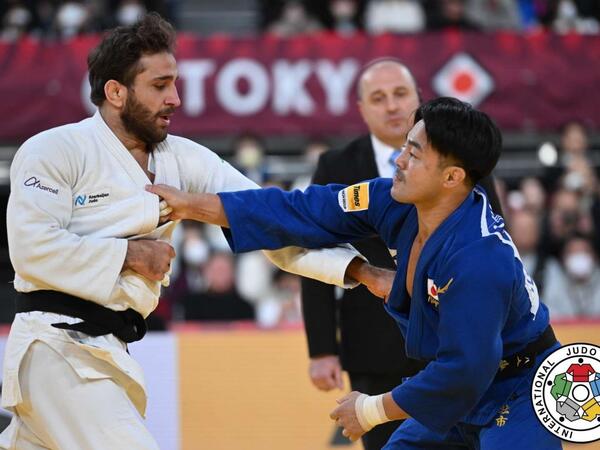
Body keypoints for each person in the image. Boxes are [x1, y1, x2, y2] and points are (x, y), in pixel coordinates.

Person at [0, 13, 363, 450]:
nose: (174, 98)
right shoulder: (55, 149)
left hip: (108, 350)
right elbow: (32, 249)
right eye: (159, 86)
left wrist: (358, 271)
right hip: (57, 345)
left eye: (174, 83)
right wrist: (130, 255)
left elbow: (264, 219)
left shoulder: (184, 160)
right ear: (115, 92)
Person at [148, 97, 562, 449]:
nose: (399, 160)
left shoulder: (479, 259)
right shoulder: (391, 199)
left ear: (453, 177)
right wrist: (193, 205)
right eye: (405, 147)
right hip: (460, 385)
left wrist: (370, 409)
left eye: (415, 154)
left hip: (521, 386)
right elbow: (302, 210)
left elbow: (464, 371)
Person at [301, 59, 503, 450]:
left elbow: (496, 242)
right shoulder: (337, 165)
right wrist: (323, 348)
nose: (392, 106)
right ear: (361, 108)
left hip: (455, 343)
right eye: (378, 98)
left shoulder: (462, 155)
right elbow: (316, 253)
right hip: (374, 350)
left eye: (400, 94)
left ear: (419, 99)